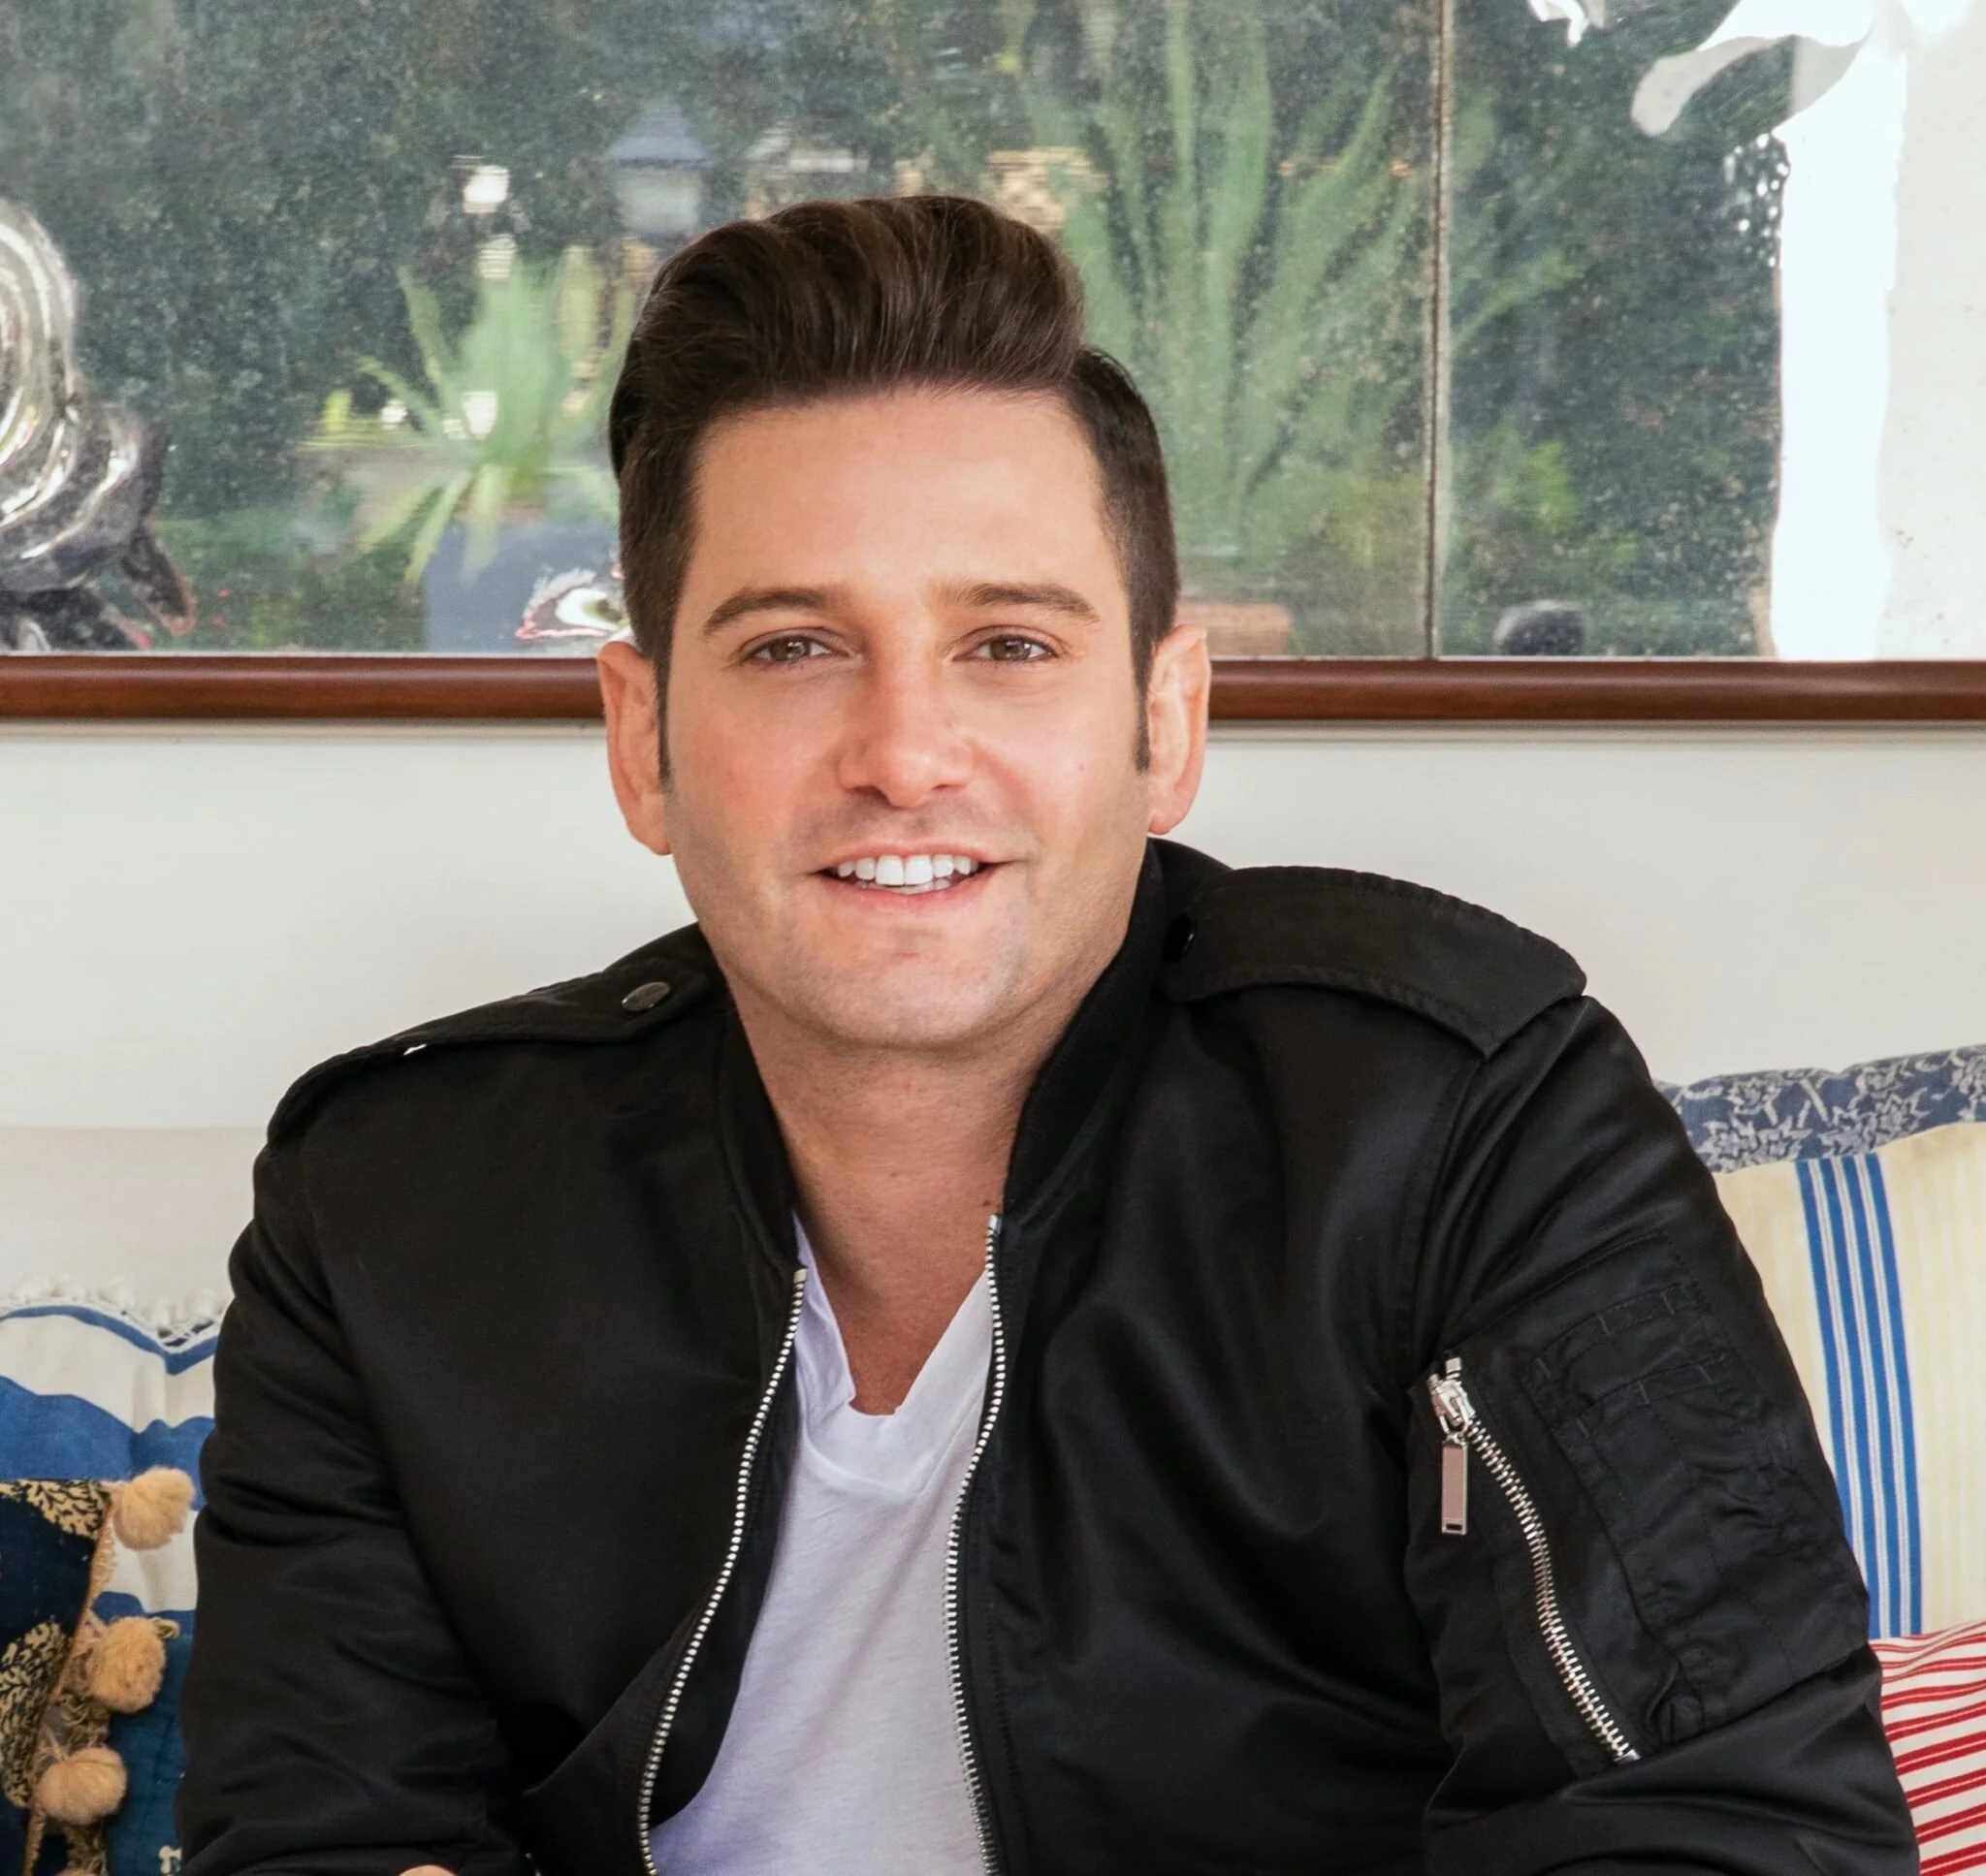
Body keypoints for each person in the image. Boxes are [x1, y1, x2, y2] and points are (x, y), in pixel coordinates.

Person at [178, 195, 1913, 1876]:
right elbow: (330, 1834)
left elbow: (1735, 1824)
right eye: (792, 646)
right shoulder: (390, 1210)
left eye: (1008, 642)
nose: (906, 749)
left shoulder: (1464, 1115)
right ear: (643, 741)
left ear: (1166, 719)